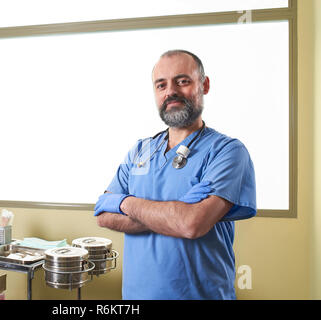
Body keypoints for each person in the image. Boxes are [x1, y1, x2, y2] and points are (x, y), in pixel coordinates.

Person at [94, 50, 256, 300]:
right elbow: (104, 215)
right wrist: (176, 211)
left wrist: (124, 202)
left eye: (182, 81)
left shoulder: (227, 151)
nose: (171, 91)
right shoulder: (140, 151)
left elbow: (191, 224)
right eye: (161, 85)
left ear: (204, 85)